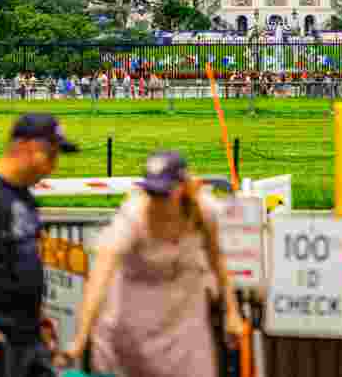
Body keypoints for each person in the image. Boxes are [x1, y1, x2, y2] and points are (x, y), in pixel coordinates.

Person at [56, 151, 243, 376]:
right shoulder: (132, 217)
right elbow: (99, 277)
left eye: (164, 193)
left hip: (183, 329)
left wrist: (232, 312)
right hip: (131, 331)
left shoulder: (204, 211)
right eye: (152, 192)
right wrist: (80, 338)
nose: (157, 199)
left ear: (182, 187)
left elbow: (217, 259)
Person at [0, 113, 79, 377]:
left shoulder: (25, 199)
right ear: (26, 147)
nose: (53, 166)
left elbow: (24, 261)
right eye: (51, 155)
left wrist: (39, 316)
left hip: (27, 337)